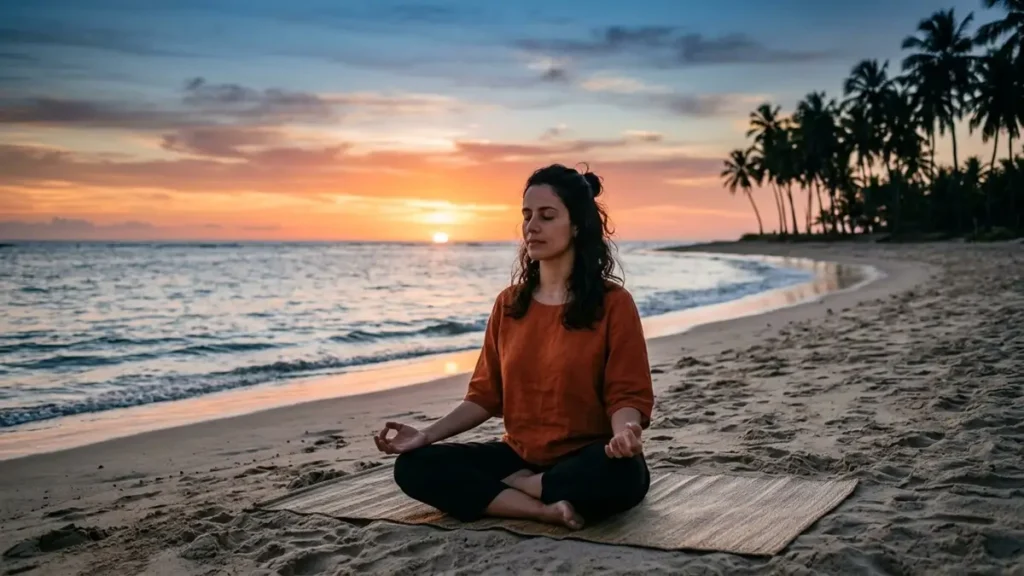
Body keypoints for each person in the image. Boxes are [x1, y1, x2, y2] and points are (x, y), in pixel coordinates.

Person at [373, 163, 654, 530]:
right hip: (517, 456)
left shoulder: (614, 303)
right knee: (414, 466)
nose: (531, 227)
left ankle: (521, 489)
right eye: (526, 216)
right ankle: (539, 508)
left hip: (585, 456)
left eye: (546, 216)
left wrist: (624, 433)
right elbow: (485, 395)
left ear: (577, 224)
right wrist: (426, 434)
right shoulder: (510, 304)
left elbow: (626, 392)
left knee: (624, 475)